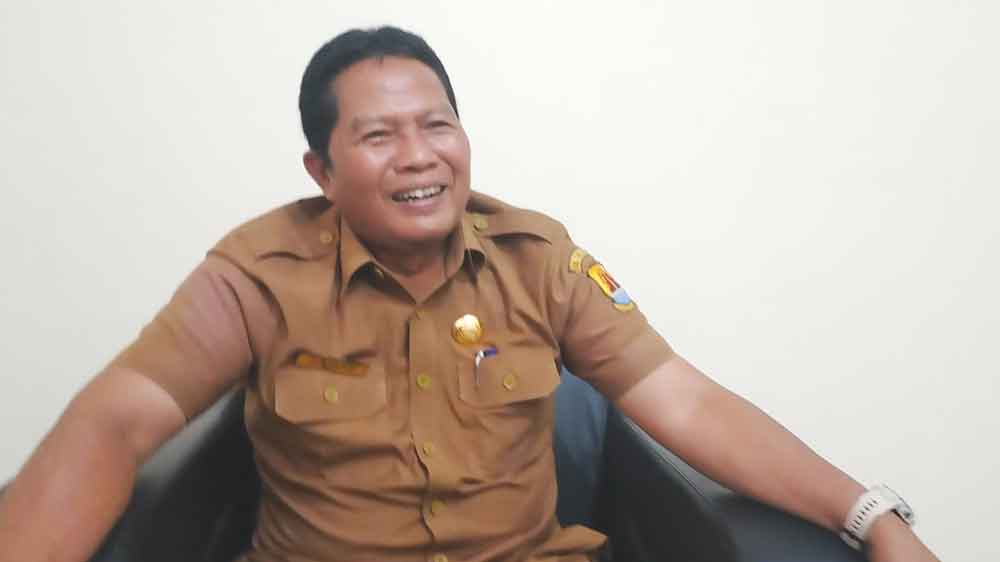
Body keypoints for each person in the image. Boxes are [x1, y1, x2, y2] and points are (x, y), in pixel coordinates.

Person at [0, 26, 940, 562]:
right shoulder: (259, 274)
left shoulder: (539, 259)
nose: (419, 157)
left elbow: (684, 401)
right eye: (379, 137)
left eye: (437, 125)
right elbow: (115, 421)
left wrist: (870, 516)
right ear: (321, 169)